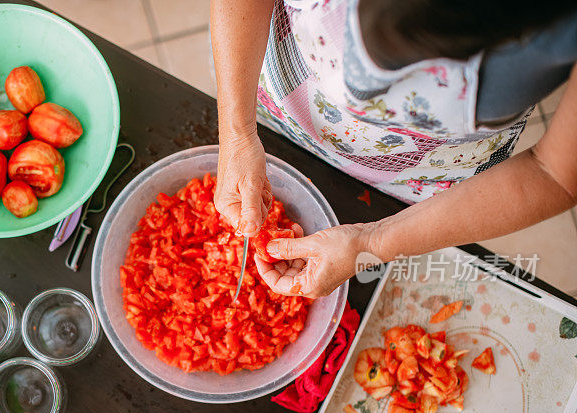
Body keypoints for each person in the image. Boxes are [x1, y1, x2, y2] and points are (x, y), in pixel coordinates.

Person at [210, 0, 577, 298]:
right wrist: (238, 133)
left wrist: (371, 242)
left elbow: (553, 174)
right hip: (289, 110)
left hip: (426, 174)